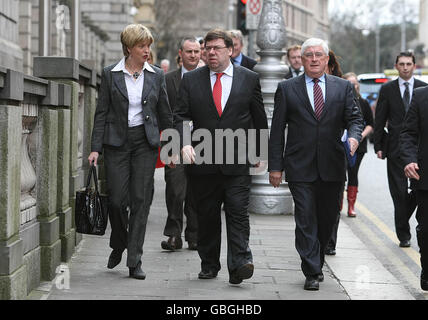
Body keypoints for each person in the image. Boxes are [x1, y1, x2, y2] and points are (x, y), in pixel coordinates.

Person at [174, 28, 268, 285]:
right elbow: (181, 115)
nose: (211, 53)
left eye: (217, 48)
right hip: (202, 161)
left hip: (237, 161)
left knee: (238, 213)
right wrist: (184, 143)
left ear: (230, 50)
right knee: (207, 215)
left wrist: (259, 151)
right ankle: (209, 264)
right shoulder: (192, 80)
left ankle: (239, 263)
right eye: (208, 48)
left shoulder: (248, 78)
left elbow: (258, 117)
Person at [268, 38, 364, 291]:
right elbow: (277, 130)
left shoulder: (342, 88)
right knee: (305, 217)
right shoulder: (288, 88)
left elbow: (355, 119)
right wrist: (275, 167)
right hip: (300, 165)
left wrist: (354, 137)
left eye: (318, 55)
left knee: (327, 218)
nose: (313, 59)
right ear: (301, 58)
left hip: (333, 165)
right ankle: (311, 269)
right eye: (308, 55)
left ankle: (318, 260)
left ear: (326, 59)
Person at [88, 24, 172, 280]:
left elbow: (165, 114)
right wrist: (94, 148)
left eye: (148, 46)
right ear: (128, 48)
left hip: (145, 144)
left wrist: (171, 148)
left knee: (140, 201)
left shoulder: (156, 75)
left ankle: (134, 259)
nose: (147, 51)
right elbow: (101, 113)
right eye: (141, 46)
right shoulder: (110, 74)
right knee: (116, 201)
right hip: (116, 144)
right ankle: (119, 243)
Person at [374, 51, 427, 248]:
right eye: (401, 64)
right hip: (394, 148)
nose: (405, 67)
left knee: (416, 190)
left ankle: (402, 219)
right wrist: (378, 145)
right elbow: (380, 117)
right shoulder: (387, 89)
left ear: (414, 66)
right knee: (398, 191)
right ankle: (403, 234)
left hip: (419, 150)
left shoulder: (423, 88)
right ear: (396, 66)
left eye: (408, 64)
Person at [161, 37, 201, 252]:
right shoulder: (168, 80)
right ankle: (173, 235)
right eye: (189, 51)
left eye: (196, 51)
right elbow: (165, 114)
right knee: (175, 190)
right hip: (174, 140)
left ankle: (194, 235)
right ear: (180, 53)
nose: (193, 55)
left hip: (201, 142)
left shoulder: (207, 79)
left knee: (196, 191)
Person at [400, 85, 428, 291]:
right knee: (426, 229)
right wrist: (409, 160)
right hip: (425, 177)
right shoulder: (420, 96)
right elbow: (408, 133)